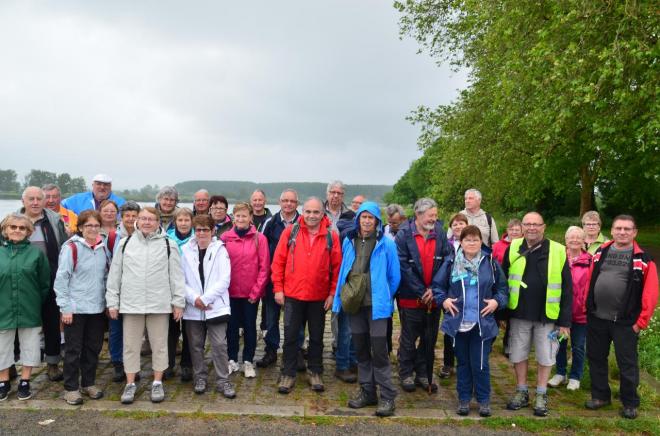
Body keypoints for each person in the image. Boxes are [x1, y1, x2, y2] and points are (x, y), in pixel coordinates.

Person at [106, 207, 186, 405]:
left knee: (160, 345)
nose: (147, 222)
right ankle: (130, 383)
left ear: (158, 222)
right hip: (131, 304)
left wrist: (178, 303)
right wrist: (112, 302)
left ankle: (157, 381)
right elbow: (115, 276)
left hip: (159, 304)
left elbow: (176, 276)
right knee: (131, 346)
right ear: (137, 221)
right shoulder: (125, 244)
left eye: (151, 219)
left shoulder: (169, 244)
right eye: (143, 219)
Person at [585, 215, 658, 420]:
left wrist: (640, 323)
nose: (622, 232)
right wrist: (587, 305)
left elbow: (651, 294)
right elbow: (592, 278)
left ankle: (629, 403)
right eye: (618, 228)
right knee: (596, 358)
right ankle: (600, 396)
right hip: (597, 317)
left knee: (627, 364)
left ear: (634, 233)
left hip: (626, 322)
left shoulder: (643, 259)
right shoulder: (601, 251)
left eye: (627, 229)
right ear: (613, 230)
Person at [333, 202, 401, 417]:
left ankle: (388, 397)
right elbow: (344, 270)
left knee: (379, 351)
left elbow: (394, 276)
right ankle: (367, 392)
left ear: (377, 221)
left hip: (377, 307)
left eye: (371, 218)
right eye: (363, 217)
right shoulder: (349, 241)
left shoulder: (386, 243)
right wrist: (338, 299)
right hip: (355, 304)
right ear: (358, 219)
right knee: (361, 350)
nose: (367, 221)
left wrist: (385, 296)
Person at [502, 212, 572, 417]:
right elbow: (503, 279)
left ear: (544, 227)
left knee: (546, 356)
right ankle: (522, 391)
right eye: (527, 224)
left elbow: (567, 289)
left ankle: (541, 394)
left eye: (536, 224)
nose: (531, 228)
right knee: (518, 354)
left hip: (547, 316)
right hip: (519, 313)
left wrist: (565, 321)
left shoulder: (559, 250)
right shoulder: (514, 247)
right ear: (522, 226)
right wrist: (502, 314)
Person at [433, 225, 509, 417]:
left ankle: (484, 400)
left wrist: (495, 302)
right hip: (458, 323)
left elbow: (503, 290)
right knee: (463, 363)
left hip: (482, 323)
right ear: (461, 242)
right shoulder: (451, 262)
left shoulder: (490, 262)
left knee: (480, 363)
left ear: (481, 241)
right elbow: (437, 287)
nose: (472, 243)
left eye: (475, 239)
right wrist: (444, 300)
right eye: (468, 240)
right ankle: (464, 399)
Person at [271, 197, 341, 394]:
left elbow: (337, 268)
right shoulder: (290, 232)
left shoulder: (331, 236)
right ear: (303, 212)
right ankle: (288, 373)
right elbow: (278, 262)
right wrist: (278, 288)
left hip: (319, 296)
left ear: (322, 214)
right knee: (291, 337)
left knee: (317, 337)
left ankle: (315, 371)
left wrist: (332, 293)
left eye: (316, 212)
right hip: (293, 295)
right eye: (308, 212)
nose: (311, 216)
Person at [395, 198, 451, 393]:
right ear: (418, 215)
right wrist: (421, 290)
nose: (434, 219)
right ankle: (405, 372)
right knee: (409, 338)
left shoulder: (440, 234)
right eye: (430, 216)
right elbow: (403, 266)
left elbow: (447, 260)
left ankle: (422, 372)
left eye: (435, 216)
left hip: (434, 297)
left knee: (429, 337)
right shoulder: (403, 235)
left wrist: (434, 289)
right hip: (411, 296)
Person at [53, 210, 109, 405]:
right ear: (80, 228)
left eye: (96, 225)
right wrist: (65, 308)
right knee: (73, 350)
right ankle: (70, 388)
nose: (92, 229)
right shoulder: (71, 248)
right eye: (88, 226)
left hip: (96, 308)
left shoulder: (103, 248)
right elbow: (61, 280)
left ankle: (88, 383)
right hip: (75, 308)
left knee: (93, 348)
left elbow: (105, 277)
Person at [181, 214, 236, 398]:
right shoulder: (186, 251)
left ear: (213, 231)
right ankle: (200, 377)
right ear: (194, 231)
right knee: (195, 345)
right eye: (198, 229)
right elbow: (181, 280)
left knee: (219, 344)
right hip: (193, 307)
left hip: (215, 306)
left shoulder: (220, 250)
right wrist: (194, 298)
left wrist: (205, 299)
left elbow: (225, 279)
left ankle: (223, 380)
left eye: (206, 229)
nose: (202, 233)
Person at [0, 214, 50, 401]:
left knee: (30, 345)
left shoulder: (37, 254)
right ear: (5, 230)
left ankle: (25, 381)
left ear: (29, 232)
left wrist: (35, 301)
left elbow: (44, 283)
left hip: (29, 307)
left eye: (22, 228)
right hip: (2, 309)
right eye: (13, 227)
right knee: (1, 347)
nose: (17, 230)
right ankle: (3, 381)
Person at [19, 187, 68, 381]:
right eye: (30, 199)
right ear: (23, 201)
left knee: (51, 323)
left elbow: (64, 246)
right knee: (18, 323)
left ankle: (53, 363)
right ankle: (12, 362)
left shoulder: (54, 220)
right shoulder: (14, 221)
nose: (35, 202)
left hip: (50, 279)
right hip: (22, 281)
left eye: (39, 198)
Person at [221, 203, 270, 378]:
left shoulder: (259, 238)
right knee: (231, 327)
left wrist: (256, 292)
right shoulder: (226, 238)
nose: (240, 219)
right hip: (230, 293)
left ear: (250, 218)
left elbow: (264, 268)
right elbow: (220, 266)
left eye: (244, 216)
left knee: (250, 327)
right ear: (233, 217)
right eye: (237, 216)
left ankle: (248, 361)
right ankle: (232, 359)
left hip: (251, 294)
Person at [257, 189, 301, 368]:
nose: (288, 204)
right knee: (271, 317)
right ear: (279, 202)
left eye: (292, 201)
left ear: (297, 203)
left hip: (297, 280)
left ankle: (296, 351)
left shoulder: (304, 222)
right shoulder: (270, 222)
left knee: (296, 318)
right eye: (285, 200)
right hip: (273, 279)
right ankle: (271, 350)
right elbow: (260, 248)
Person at [548, 226, 591, 391]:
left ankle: (575, 377)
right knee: (559, 343)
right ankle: (560, 373)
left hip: (581, 313)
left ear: (583, 240)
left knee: (578, 346)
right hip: (559, 311)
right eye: (571, 237)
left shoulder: (590, 261)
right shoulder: (558, 257)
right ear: (565, 240)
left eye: (578, 237)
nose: (574, 240)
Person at [108, 201, 141, 383]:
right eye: (127, 215)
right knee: (116, 329)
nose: (130, 219)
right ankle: (118, 363)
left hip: (135, 290)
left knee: (134, 330)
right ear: (121, 217)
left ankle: (132, 364)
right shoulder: (113, 237)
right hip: (117, 288)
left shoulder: (143, 235)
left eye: (133, 215)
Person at [165, 207, 195, 382]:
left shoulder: (197, 239)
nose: (183, 224)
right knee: (170, 330)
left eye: (186, 220)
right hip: (171, 290)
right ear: (175, 222)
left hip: (191, 290)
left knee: (190, 330)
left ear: (191, 222)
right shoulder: (166, 239)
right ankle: (168, 364)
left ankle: (187, 365)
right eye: (180, 220)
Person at [439, 212, 469, 379]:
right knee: (450, 329)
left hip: (470, 293)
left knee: (467, 329)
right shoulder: (446, 245)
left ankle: (465, 363)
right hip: (451, 293)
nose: (458, 226)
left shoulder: (475, 243)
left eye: (461, 223)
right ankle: (448, 363)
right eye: (455, 224)